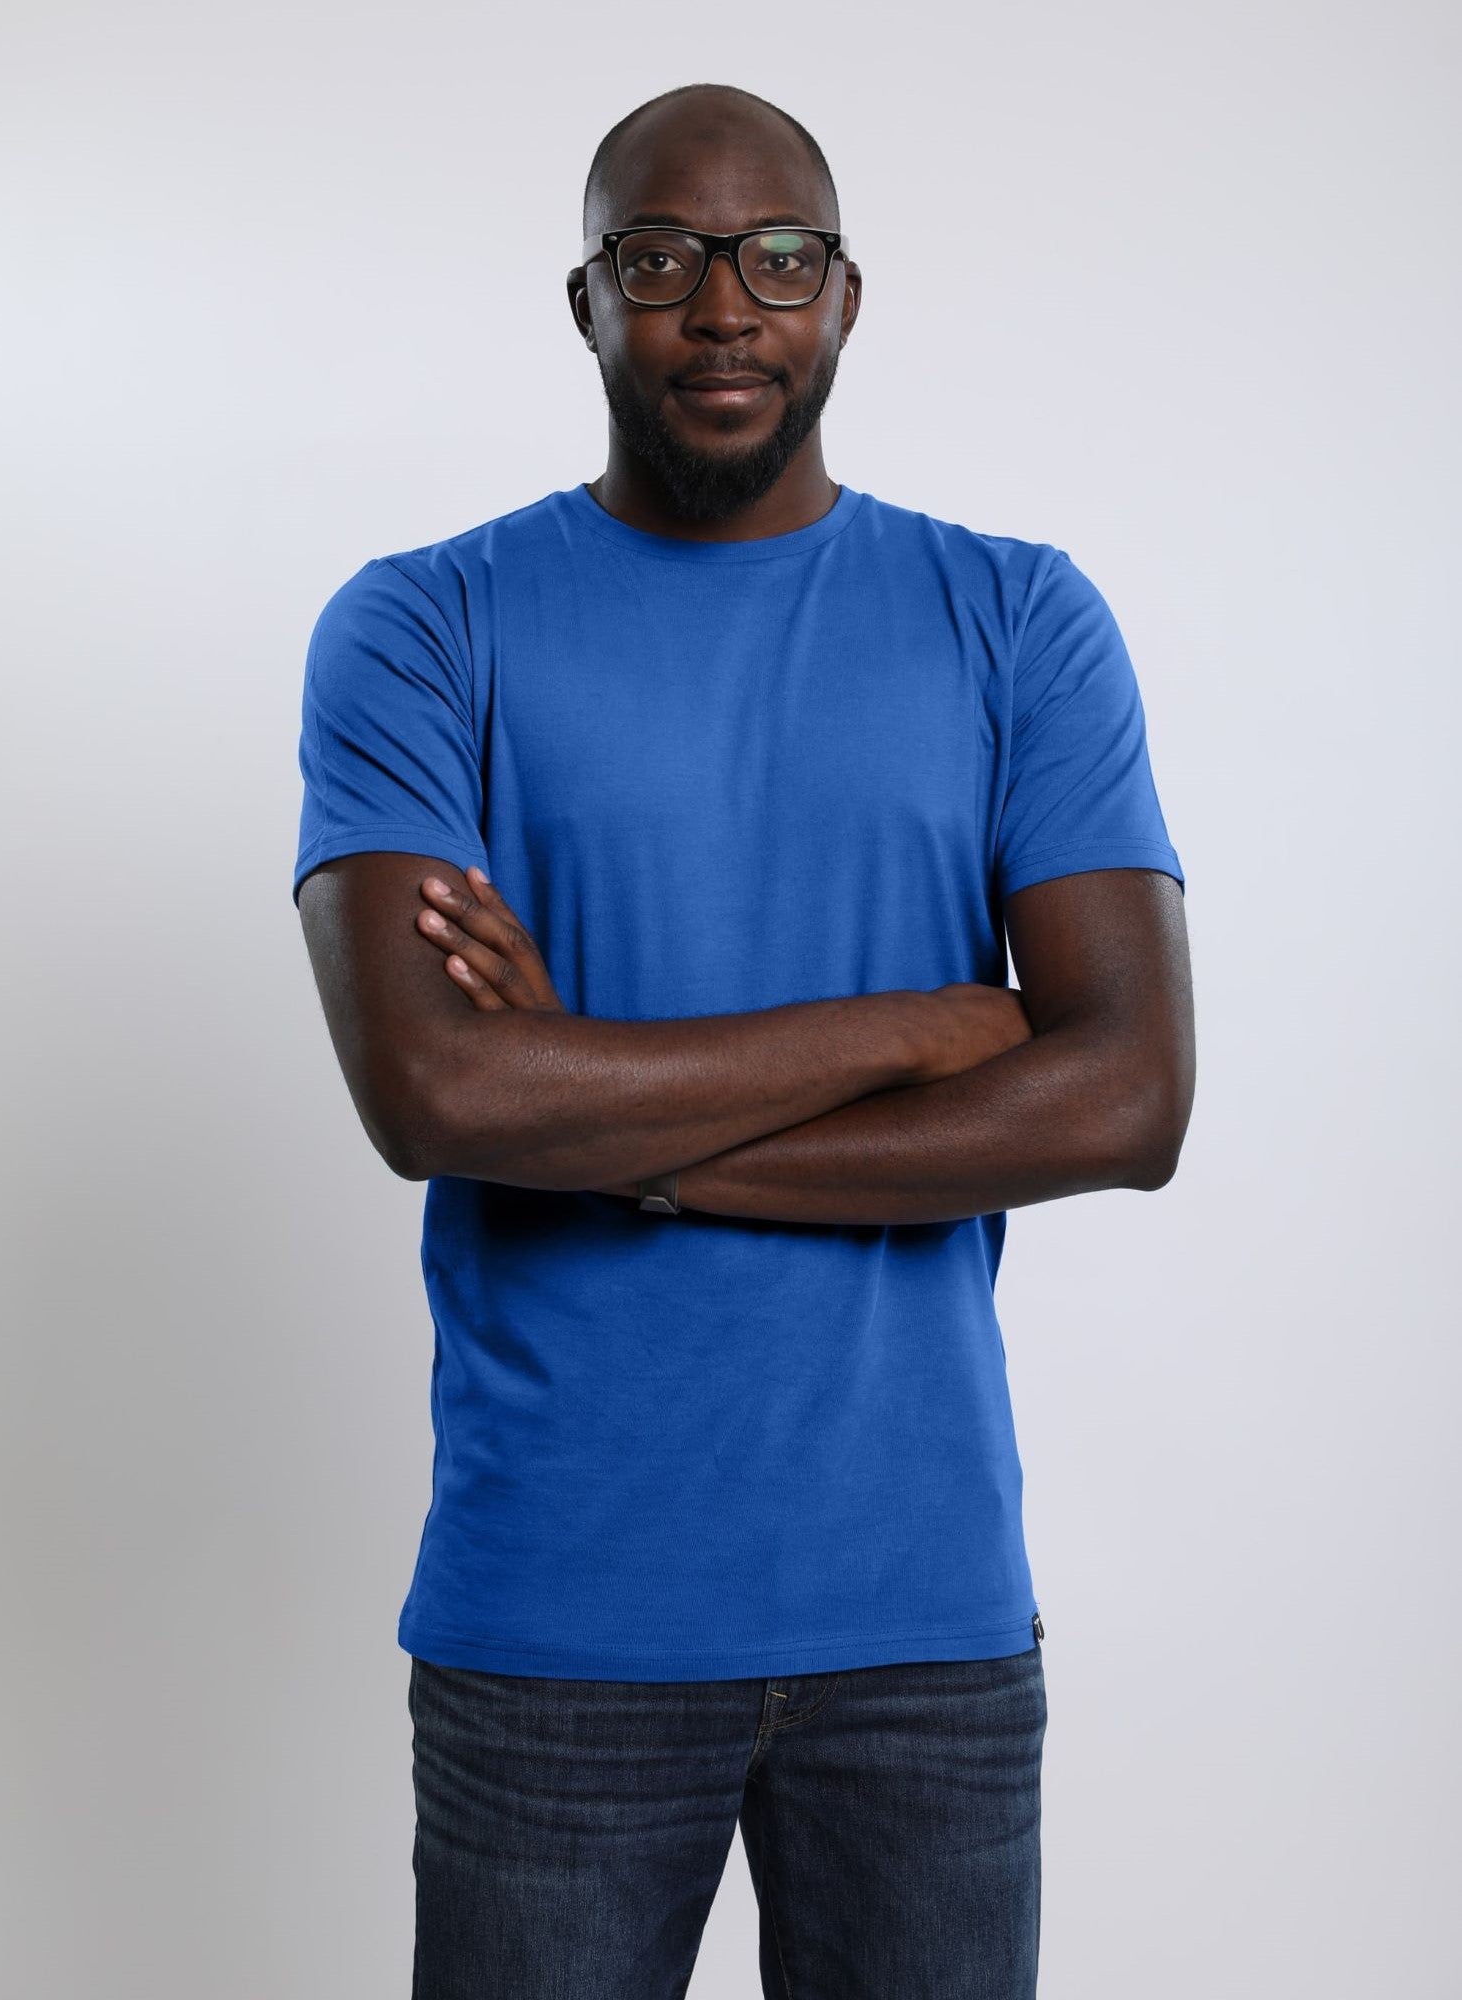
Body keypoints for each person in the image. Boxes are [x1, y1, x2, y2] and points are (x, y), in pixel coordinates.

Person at [292, 78, 1194, 2000]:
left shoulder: (1017, 619)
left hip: (925, 1630)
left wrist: (620, 1128)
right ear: (589, 303)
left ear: (845, 299)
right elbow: (436, 1091)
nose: (724, 307)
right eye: (664, 258)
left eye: (778, 259)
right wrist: (931, 1026)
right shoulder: (424, 626)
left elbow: (1126, 1093)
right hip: (557, 1625)